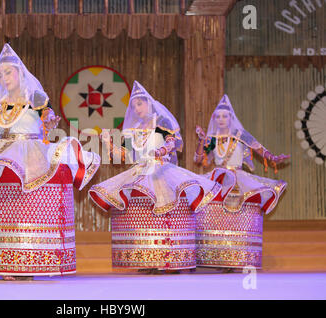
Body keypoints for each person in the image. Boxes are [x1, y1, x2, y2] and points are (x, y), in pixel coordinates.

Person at [0, 44, 100, 280]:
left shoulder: (35, 96)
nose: (4, 78)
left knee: (29, 208)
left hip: (31, 153)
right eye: (0, 75)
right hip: (2, 152)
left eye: (8, 72)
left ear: (20, 73)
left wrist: (50, 121)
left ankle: (29, 263)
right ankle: (8, 262)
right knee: (6, 209)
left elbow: (48, 119)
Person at [89, 81, 221, 273]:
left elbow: (172, 142)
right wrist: (108, 144)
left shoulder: (161, 123)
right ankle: (148, 258)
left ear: (149, 104)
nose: (137, 109)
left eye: (140, 104)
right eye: (134, 106)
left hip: (161, 172)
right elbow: (125, 156)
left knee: (166, 214)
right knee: (144, 215)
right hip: (141, 172)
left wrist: (162, 150)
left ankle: (171, 259)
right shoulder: (132, 130)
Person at [194, 94, 290, 271]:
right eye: (218, 116)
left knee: (236, 217)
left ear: (231, 118)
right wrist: (201, 141)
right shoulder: (212, 138)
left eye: (225, 116)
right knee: (217, 218)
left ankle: (236, 258)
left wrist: (275, 158)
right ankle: (219, 257)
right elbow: (199, 159)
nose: (221, 119)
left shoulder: (240, 135)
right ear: (214, 119)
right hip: (218, 179)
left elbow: (259, 148)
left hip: (238, 178)